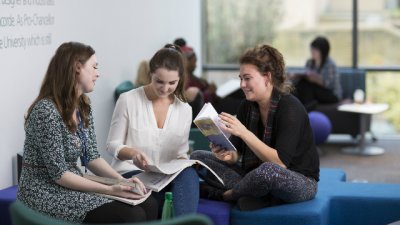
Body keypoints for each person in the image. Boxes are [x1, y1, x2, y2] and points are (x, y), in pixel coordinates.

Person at [17, 42, 158, 224]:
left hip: (69, 186)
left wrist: (122, 181)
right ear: (77, 68)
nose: (97, 73)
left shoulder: (83, 106)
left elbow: (91, 156)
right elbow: (59, 175)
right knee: (132, 215)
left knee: (150, 204)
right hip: (44, 192)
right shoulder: (46, 111)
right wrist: (110, 189)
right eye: (94, 67)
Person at [191, 44, 320, 211]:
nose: (242, 84)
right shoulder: (247, 106)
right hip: (253, 176)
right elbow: (236, 155)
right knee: (198, 156)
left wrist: (244, 132)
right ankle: (256, 195)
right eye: (240, 78)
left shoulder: (290, 108)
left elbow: (280, 163)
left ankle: (227, 195)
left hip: (298, 181)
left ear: (267, 77)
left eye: (247, 78)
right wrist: (226, 154)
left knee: (268, 171)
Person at [106, 44, 199, 216]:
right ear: (151, 75)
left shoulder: (185, 109)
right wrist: (133, 154)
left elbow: (181, 153)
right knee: (156, 198)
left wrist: (184, 161)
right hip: (131, 173)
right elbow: (112, 145)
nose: (165, 89)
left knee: (189, 174)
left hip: (164, 177)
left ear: (180, 79)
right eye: (159, 82)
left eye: (172, 83)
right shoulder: (128, 100)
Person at [291, 36, 342, 111]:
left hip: (331, 94)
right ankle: (298, 107)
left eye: (315, 50)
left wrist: (316, 80)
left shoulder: (330, 64)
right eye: (312, 49)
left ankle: (307, 107)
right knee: (300, 84)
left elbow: (330, 85)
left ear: (323, 51)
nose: (312, 51)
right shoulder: (309, 62)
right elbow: (305, 74)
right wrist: (295, 76)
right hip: (315, 93)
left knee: (309, 86)